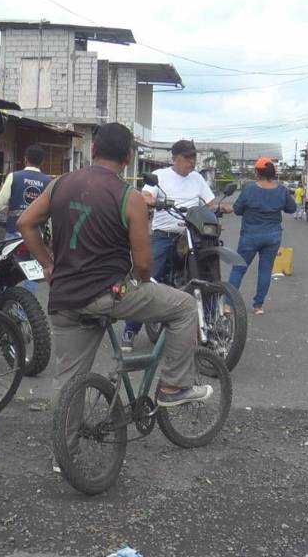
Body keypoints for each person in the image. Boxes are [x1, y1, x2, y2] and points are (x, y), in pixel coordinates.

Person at [18, 122, 213, 416]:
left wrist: (48, 263)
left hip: (64, 296)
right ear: (128, 158)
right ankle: (174, 386)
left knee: (68, 380)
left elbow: (25, 223)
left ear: (93, 151)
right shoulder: (129, 197)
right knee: (185, 306)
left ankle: (63, 454)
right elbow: (144, 265)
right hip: (109, 293)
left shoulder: (59, 184)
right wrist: (141, 282)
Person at [121, 139, 224, 350]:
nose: (192, 161)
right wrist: (150, 199)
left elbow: (210, 203)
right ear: (174, 158)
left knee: (208, 275)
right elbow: (147, 193)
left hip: (193, 236)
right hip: (165, 236)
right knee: (147, 278)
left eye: (194, 156)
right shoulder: (160, 176)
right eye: (187, 157)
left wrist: (220, 208)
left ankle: (211, 326)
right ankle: (130, 330)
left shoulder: (197, 178)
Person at [228, 158, 297, 315]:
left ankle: (228, 304)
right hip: (272, 236)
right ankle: (258, 306)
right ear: (273, 173)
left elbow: (237, 210)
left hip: (250, 236)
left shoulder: (249, 189)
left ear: (257, 172)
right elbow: (291, 209)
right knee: (265, 270)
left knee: (238, 269)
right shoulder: (281, 190)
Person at [0, 144, 52, 293]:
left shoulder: (14, 176)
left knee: (6, 268)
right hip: (36, 236)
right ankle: (26, 303)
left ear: (25, 159)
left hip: (13, 232)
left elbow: (0, 205)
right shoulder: (48, 182)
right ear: (42, 162)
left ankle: (5, 299)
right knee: (33, 271)